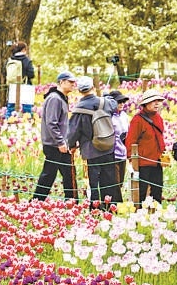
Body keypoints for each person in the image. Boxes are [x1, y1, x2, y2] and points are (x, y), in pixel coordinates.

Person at [68, 77, 121, 205]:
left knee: (94, 181)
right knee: (109, 178)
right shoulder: (105, 102)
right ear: (92, 87)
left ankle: (95, 207)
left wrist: (71, 145)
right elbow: (115, 104)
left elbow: (73, 131)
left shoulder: (79, 109)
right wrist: (104, 97)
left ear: (80, 91)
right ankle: (109, 206)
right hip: (108, 146)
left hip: (91, 149)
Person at [32, 71, 78, 201]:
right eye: (70, 82)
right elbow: (51, 123)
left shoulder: (61, 98)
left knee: (68, 175)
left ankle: (72, 203)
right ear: (61, 82)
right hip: (54, 145)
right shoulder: (54, 99)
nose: (73, 85)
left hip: (60, 144)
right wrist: (61, 142)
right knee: (49, 175)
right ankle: (36, 202)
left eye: (74, 82)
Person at [124, 90, 167, 205]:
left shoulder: (158, 118)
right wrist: (132, 160)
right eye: (153, 101)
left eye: (158, 101)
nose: (157, 104)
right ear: (145, 104)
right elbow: (131, 141)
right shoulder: (137, 120)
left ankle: (156, 214)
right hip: (143, 162)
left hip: (157, 161)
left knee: (157, 190)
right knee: (141, 191)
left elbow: (160, 137)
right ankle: (139, 215)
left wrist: (163, 153)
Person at [106, 90, 131, 191]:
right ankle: (114, 204)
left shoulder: (124, 115)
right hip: (112, 153)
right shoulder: (109, 116)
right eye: (118, 101)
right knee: (114, 183)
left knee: (120, 182)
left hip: (123, 153)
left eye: (123, 102)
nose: (121, 104)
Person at [5, 41, 36, 116]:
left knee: (11, 108)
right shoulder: (26, 60)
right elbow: (31, 74)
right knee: (27, 109)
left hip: (13, 86)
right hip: (25, 85)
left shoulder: (10, 60)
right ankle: (28, 124)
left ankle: (8, 122)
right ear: (23, 49)